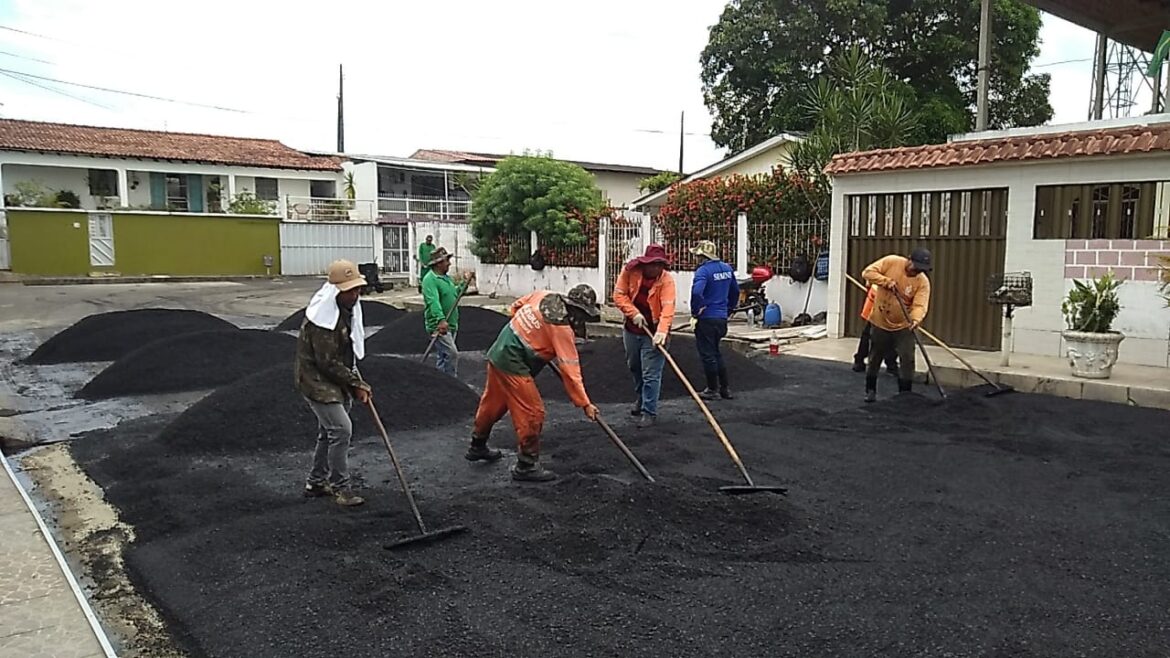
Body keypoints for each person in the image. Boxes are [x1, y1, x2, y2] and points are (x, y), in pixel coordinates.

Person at [466, 284, 602, 483]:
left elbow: (515, 307)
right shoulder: (561, 328)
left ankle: (477, 446)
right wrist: (585, 403)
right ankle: (526, 465)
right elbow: (570, 369)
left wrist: (530, 332)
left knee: (493, 403)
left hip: (500, 348)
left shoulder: (543, 295)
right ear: (575, 310)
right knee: (532, 411)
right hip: (514, 360)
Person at [295, 259, 372, 507]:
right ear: (336, 290)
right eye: (350, 290)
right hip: (315, 379)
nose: (355, 294)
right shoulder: (321, 321)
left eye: (357, 288)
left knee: (328, 432)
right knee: (341, 429)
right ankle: (341, 488)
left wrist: (356, 380)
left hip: (335, 378)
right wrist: (357, 384)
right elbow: (327, 363)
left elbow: (346, 353)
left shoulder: (348, 310)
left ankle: (316, 482)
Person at [613, 243, 676, 428]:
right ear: (645, 263)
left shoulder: (666, 281)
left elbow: (668, 307)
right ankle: (641, 397)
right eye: (653, 264)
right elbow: (618, 295)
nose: (656, 268)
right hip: (632, 329)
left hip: (654, 332)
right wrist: (634, 313)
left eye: (660, 265)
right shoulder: (630, 271)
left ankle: (649, 411)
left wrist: (662, 331)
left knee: (651, 373)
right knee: (634, 366)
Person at [861, 248, 933, 403]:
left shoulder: (922, 282)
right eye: (916, 267)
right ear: (909, 259)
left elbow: (920, 305)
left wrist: (915, 319)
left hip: (904, 326)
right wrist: (886, 281)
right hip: (880, 320)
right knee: (875, 356)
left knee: (907, 358)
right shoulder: (891, 262)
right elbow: (867, 273)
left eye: (921, 269)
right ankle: (870, 390)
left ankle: (905, 395)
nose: (917, 272)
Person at [688, 240, 739, 400]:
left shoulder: (703, 271)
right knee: (716, 352)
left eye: (697, 256)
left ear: (702, 256)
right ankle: (725, 389)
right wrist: (729, 309)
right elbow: (735, 291)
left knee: (708, 354)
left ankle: (712, 389)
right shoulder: (726, 268)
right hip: (721, 318)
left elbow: (697, 292)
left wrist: (697, 310)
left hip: (707, 318)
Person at [421, 247, 470, 377]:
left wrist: (464, 284)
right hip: (439, 326)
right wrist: (440, 320)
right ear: (438, 263)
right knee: (452, 354)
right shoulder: (429, 280)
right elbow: (433, 302)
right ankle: (451, 381)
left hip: (451, 323)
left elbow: (454, 295)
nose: (449, 263)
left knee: (443, 357)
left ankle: (439, 381)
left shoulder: (447, 278)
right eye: (446, 260)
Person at [853, 283, 899, 376]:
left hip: (889, 300)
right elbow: (868, 279)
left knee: (891, 333)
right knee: (870, 332)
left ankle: (891, 363)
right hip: (878, 299)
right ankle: (860, 360)